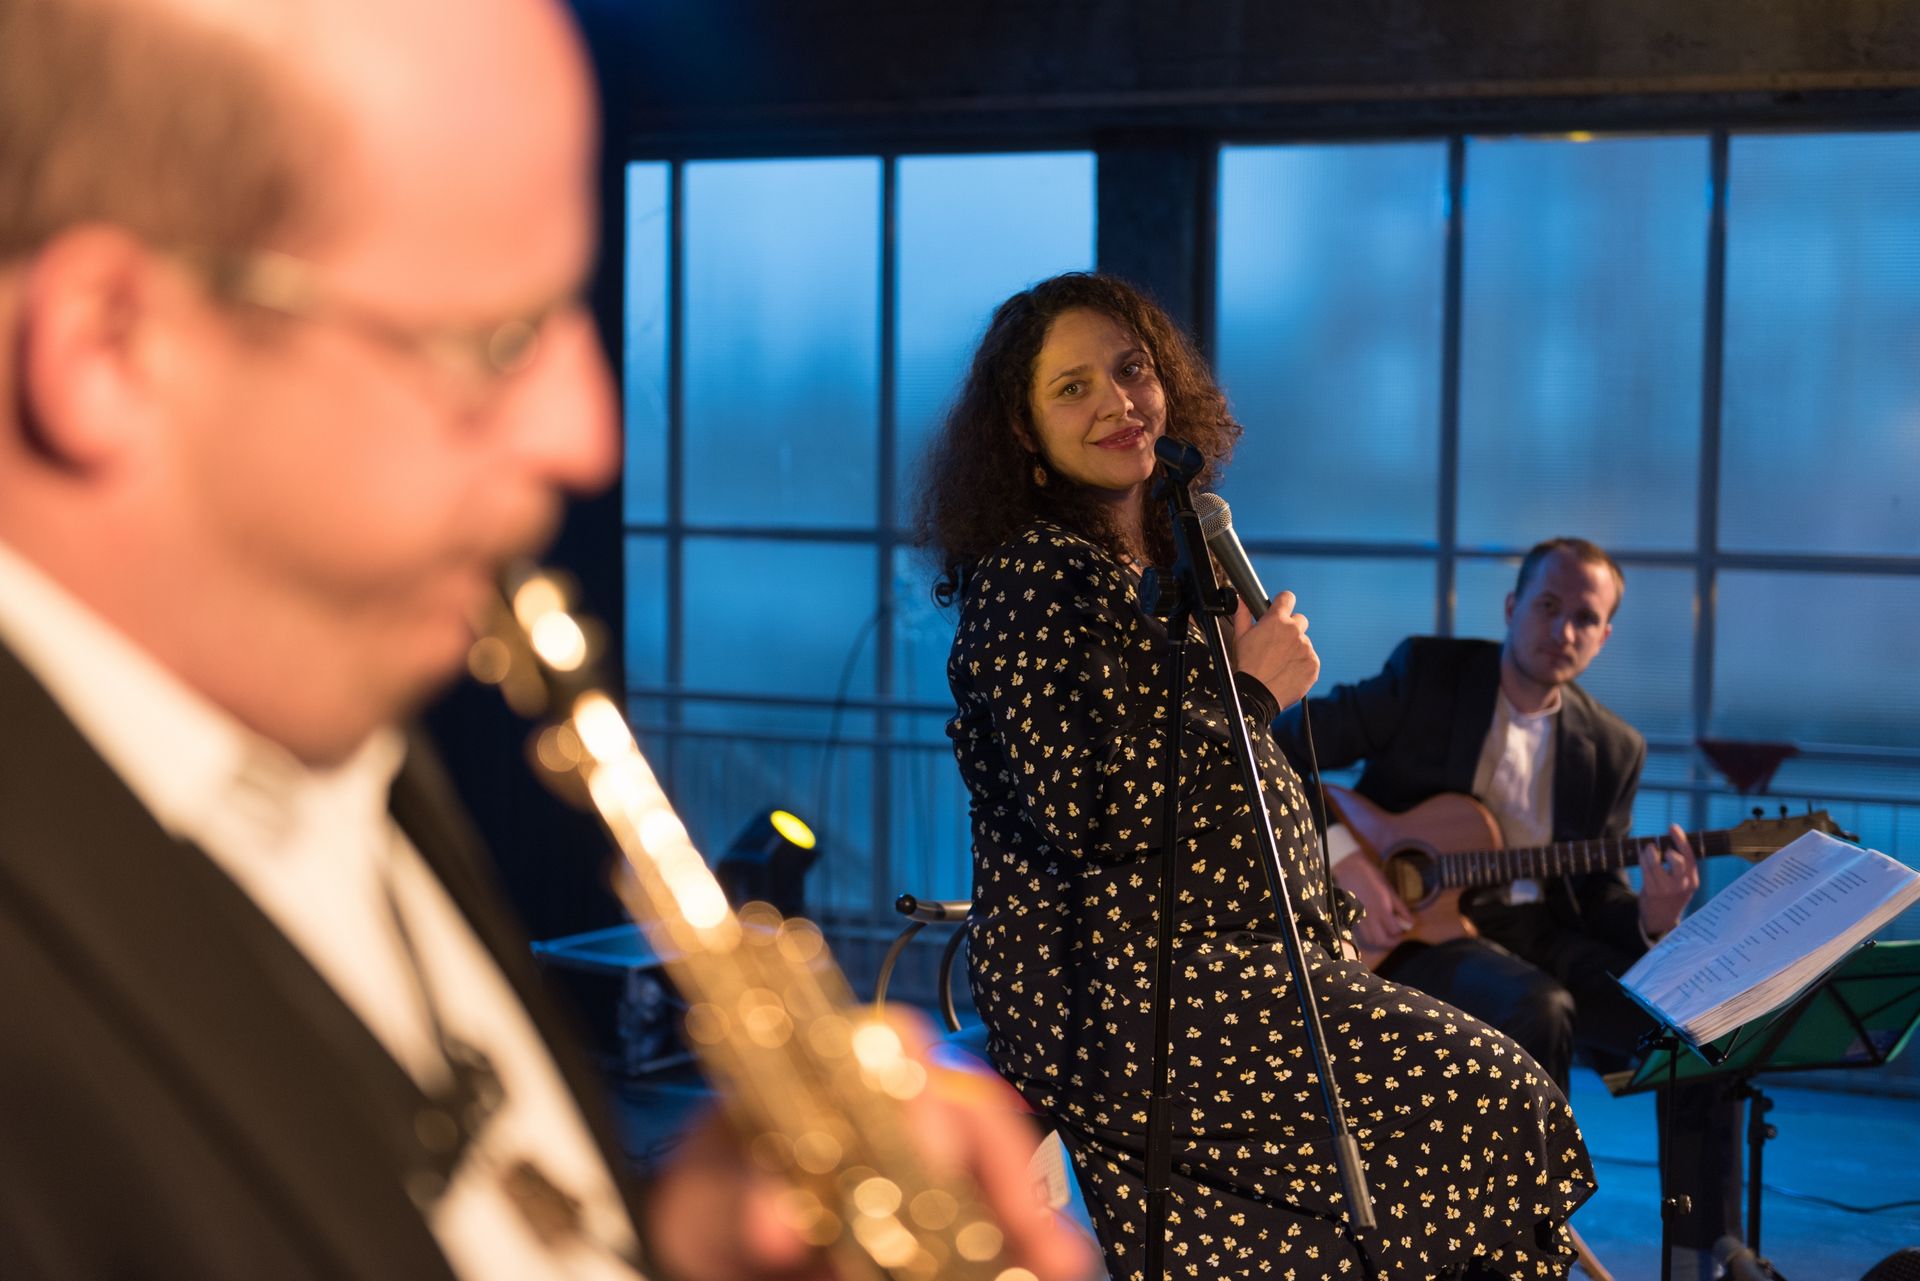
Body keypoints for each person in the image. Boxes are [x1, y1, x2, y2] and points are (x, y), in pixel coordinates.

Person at [0, 2, 1093, 1279]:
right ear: (109, 348)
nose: (585, 436)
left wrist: (683, 1245)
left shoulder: (324, 720)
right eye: (496, 341)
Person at [916, 271, 1597, 1281]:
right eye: (1072, 387)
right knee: (1498, 1098)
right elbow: (1089, 807)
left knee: (1477, 1133)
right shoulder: (1034, 577)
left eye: (1132, 369)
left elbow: (1208, 782)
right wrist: (1250, 688)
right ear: (1021, 430)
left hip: (1227, 965)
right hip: (1128, 990)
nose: (1118, 402)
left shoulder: (1148, 576)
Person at [1270, 538, 1742, 1276]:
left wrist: (1655, 918)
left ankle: (1700, 1259)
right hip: (1414, 931)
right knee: (1539, 1007)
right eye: (1548, 606)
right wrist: (1344, 857)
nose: (1562, 630)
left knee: (1698, 1028)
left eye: (1584, 618)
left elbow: (1596, 893)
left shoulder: (1613, 747)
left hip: (1544, 932)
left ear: (1604, 635)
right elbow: (1272, 744)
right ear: (1513, 606)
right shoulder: (1428, 676)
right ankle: (1516, 1250)